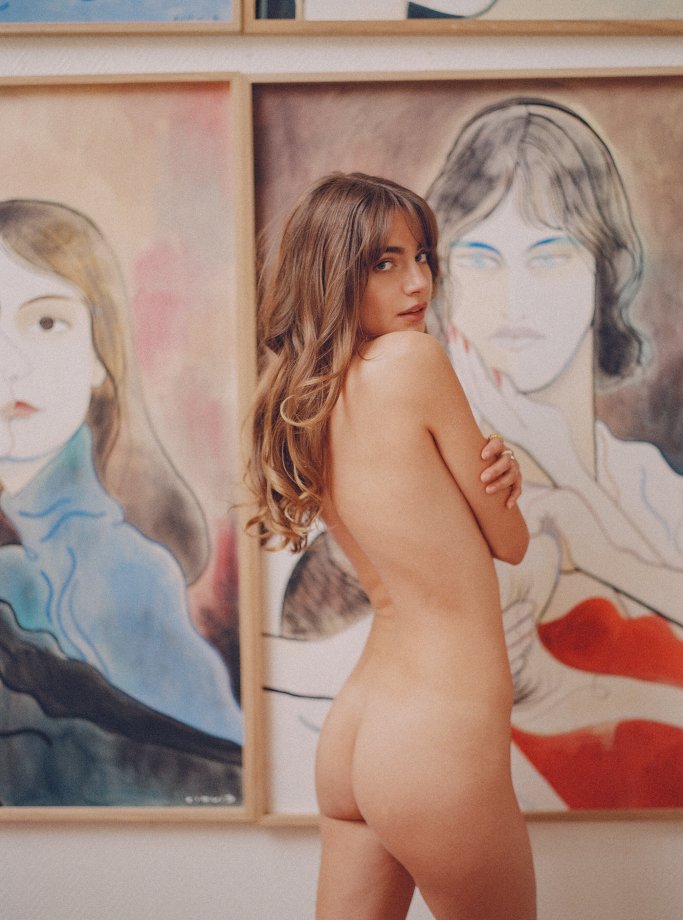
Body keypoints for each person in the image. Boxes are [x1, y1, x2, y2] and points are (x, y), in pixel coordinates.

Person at [424, 97, 683, 807]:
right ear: (442, 278)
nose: (514, 299)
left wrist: (582, 500)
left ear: (605, 270)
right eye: (479, 258)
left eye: (550, 256)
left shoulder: (678, 502)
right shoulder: (420, 483)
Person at [246, 172, 535, 919]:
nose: (417, 283)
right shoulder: (413, 361)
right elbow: (510, 542)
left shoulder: (312, 398)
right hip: (432, 739)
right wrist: (506, 476)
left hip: (357, 731)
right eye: (384, 262)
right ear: (333, 273)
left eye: (422, 257)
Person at [0, 199, 242, 744]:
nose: (9, 363)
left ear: (98, 357)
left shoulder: (127, 575)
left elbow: (212, 769)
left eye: (45, 322)